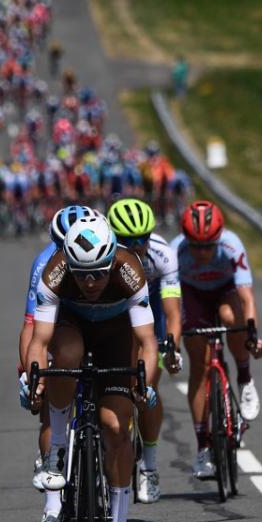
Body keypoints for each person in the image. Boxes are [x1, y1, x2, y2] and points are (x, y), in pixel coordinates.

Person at [24, 215, 159, 522]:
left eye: (99, 273)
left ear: (111, 260)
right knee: (64, 356)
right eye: (82, 274)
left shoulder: (129, 268)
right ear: (69, 262)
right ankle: (55, 456)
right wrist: (34, 378)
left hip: (117, 338)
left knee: (115, 426)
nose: (90, 282)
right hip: (73, 327)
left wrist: (144, 385)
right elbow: (39, 340)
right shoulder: (56, 270)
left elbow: (147, 342)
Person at [17, 205, 102, 522]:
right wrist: (29, 373)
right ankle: (52, 509)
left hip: (99, 325)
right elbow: (30, 328)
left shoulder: (103, 255)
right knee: (52, 412)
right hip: (59, 323)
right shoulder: (46, 265)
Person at [170, 200, 262, 479]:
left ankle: (245, 378)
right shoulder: (176, 251)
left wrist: (251, 335)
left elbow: (247, 297)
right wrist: (172, 341)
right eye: (196, 246)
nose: (202, 252)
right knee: (198, 364)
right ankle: (203, 448)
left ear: (219, 238)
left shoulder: (231, 245)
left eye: (208, 246)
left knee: (230, 318)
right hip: (193, 295)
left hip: (225, 291)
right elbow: (171, 302)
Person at [106, 198, 182, 504]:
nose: (137, 246)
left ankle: (149, 465)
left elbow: (173, 312)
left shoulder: (163, 256)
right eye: (128, 240)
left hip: (151, 313)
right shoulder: (103, 255)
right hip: (116, 314)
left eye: (143, 239)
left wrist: (172, 347)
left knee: (145, 388)